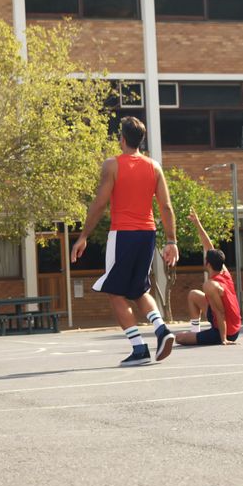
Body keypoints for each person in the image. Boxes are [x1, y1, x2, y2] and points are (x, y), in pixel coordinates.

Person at [71, 116, 179, 367]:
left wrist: (84, 236)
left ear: (122, 139)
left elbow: (99, 203)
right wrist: (171, 240)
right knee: (139, 289)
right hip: (147, 234)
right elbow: (166, 206)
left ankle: (139, 348)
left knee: (114, 291)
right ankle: (161, 329)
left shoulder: (113, 165)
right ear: (141, 140)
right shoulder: (154, 167)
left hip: (123, 234)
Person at [173, 208, 241, 346]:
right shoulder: (224, 271)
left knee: (179, 338)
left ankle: (202, 336)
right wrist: (197, 223)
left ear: (207, 263)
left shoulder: (210, 285)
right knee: (193, 294)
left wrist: (224, 339)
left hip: (227, 331)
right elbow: (208, 245)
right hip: (231, 323)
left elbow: (220, 313)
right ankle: (195, 331)